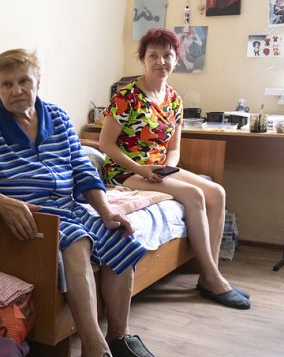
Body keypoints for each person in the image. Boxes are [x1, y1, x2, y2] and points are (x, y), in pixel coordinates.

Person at [0, 48, 154, 357]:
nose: (16, 90)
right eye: (6, 85)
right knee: (77, 241)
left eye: (23, 81)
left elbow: (84, 171)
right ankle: (93, 352)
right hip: (30, 218)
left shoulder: (58, 118)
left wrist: (107, 211)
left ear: (38, 81)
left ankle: (118, 338)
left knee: (120, 238)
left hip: (69, 208)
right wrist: (3, 204)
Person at [99, 28, 250, 310]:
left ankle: (210, 273)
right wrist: (143, 170)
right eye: (153, 55)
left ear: (176, 59)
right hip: (126, 170)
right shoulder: (127, 96)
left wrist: (167, 169)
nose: (160, 61)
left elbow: (174, 149)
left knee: (216, 192)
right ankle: (213, 280)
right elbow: (105, 144)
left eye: (167, 55)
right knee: (193, 194)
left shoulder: (174, 99)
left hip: (158, 168)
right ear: (142, 60)